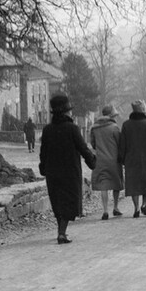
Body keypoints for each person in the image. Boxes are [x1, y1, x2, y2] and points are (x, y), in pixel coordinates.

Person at [38, 94, 96, 244]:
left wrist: (43, 167)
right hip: (70, 172)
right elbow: (83, 148)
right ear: (65, 112)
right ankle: (61, 233)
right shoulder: (72, 128)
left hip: (52, 172)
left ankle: (61, 231)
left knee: (57, 201)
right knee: (69, 202)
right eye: (69, 110)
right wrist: (92, 162)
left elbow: (43, 152)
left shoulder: (47, 130)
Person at [119, 99, 146, 218]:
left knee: (134, 183)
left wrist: (121, 158)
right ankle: (144, 204)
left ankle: (136, 207)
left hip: (131, 158)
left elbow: (122, 143)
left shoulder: (126, 124)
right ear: (143, 111)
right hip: (145, 157)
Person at [89, 104, 124, 221]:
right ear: (110, 115)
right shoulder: (114, 127)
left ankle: (105, 210)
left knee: (104, 185)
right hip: (113, 160)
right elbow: (120, 143)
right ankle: (115, 207)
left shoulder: (94, 128)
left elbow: (93, 144)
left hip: (100, 160)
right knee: (116, 183)